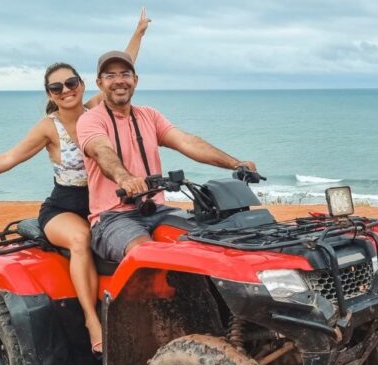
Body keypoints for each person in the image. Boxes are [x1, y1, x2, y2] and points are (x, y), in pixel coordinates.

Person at [0, 9, 152, 354]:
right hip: (65, 205)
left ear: (84, 85)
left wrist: (139, 33)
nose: (65, 90)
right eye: (56, 87)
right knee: (80, 240)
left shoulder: (95, 110)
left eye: (71, 83)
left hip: (104, 201)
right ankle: (92, 321)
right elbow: (8, 158)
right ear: (51, 94)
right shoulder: (49, 127)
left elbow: (121, 70)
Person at [77, 50, 256, 263]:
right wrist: (125, 179)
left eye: (125, 74)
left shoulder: (149, 115)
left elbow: (187, 142)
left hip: (157, 209)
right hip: (113, 217)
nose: (119, 81)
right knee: (147, 254)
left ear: (135, 80)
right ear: (99, 83)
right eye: (110, 76)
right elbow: (102, 151)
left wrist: (236, 163)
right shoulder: (90, 120)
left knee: (208, 240)